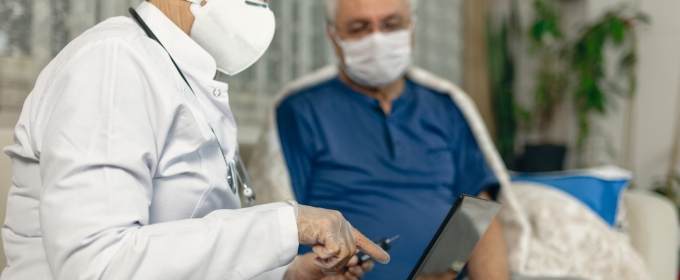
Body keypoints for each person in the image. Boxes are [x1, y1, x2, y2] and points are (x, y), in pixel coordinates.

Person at [0, 0, 389, 279]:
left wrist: (285, 274)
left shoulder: (183, 73)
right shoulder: (114, 62)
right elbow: (97, 265)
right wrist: (287, 224)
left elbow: (186, 248)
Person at [255, 0, 510, 279]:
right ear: (333, 36)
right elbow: (281, 224)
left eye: (391, 24)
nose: (377, 39)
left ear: (412, 26)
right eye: (359, 27)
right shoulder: (299, 111)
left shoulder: (445, 108)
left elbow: (480, 216)